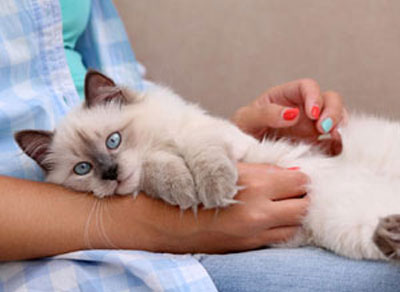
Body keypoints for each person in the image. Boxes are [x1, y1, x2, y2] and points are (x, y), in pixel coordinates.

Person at [0, 0, 399, 291]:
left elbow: (137, 94)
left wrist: (235, 134)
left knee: (364, 147)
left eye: (113, 145)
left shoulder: (122, 113)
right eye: (84, 168)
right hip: (73, 250)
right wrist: (180, 226)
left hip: (203, 179)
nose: (109, 168)